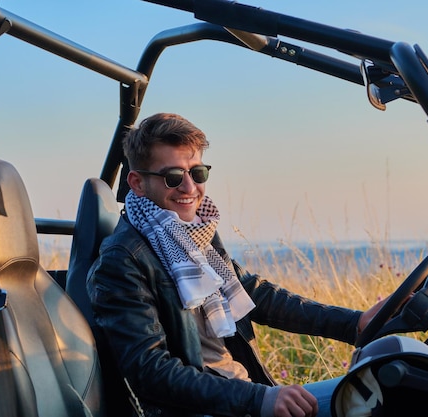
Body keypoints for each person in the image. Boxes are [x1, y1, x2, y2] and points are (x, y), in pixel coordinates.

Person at [87, 112, 389, 417]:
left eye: (198, 173)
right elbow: (151, 372)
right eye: (173, 177)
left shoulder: (196, 231)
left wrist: (355, 323)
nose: (190, 188)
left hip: (243, 394)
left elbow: (256, 296)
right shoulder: (122, 261)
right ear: (137, 183)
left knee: (389, 390)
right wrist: (258, 400)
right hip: (210, 407)